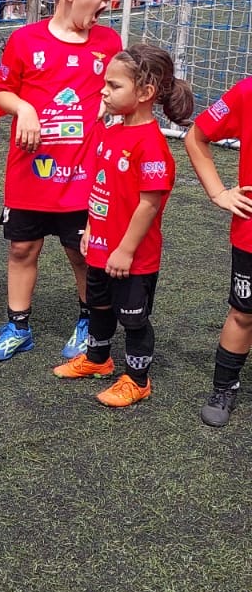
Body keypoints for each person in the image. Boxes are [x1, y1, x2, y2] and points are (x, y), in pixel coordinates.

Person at [0, 0, 122, 363]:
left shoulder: (109, 41)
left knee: (82, 253)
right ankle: (18, 327)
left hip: (84, 177)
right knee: (21, 250)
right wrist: (24, 108)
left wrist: (111, 106)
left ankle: (87, 323)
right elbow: (0, 92)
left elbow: (118, 93)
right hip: (30, 173)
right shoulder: (26, 40)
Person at [53, 44, 193, 408]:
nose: (104, 92)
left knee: (133, 320)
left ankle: (137, 380)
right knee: (98, 307)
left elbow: (149, 204)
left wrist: (126, 250)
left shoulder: (152, 145)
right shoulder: (110, 132)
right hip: (101, 247)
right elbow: (100, 189)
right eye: (105, 84)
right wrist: (90, 228)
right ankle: (98, 360)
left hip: (132, 258)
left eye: (114, 86)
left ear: (145, 93)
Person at [185, 72, 252, 427]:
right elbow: (196, 136)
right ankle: (224, 387)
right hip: (250, 234)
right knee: (243, 314)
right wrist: (218, 192)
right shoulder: (247, 92)